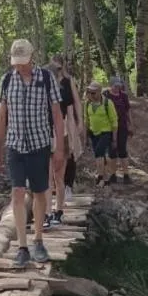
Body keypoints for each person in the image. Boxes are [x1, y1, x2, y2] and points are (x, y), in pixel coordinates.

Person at [0, 39, 65, 268]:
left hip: (39, 144)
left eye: (23, 62)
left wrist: (60, 148)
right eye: (16, 62)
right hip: (15, 145)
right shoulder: (7, 80)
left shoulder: (46, 79)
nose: (19, 66)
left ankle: (39, 239)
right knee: (17, 192)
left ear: (32, 57)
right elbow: (2, 116)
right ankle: (22, 246)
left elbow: (56, 114)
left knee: (41, 192)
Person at [48, 54, 81, 218]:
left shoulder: (68, 83)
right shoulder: (42, 87)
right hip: (46, 135)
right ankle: (47, 213)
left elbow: (73, 106)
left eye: (58, 69)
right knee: (47, 179)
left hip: (63, 132)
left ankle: (58, 210)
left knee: (59, 176)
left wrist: (79, 124)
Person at [84, 80, 118, 186]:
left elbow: (114, 121)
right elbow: (86, 120)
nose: (91, 95)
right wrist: (85, 136)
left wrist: (114, 139)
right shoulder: (87, 103)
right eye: (89, 92)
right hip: (93, 133)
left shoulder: (108, 103)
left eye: (93, 92)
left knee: (99, 152)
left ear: (99, 92)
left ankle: (101, 176)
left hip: (105, 132)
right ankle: (105, 177)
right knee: (99, 155)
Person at [106, 75, 133, 185]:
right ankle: (113, 175)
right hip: (109, 127)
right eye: (115, 86)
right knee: (112, 151)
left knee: (122, 150)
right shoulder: (106, 96)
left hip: (122, 127)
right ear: (111, 86)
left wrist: (131, 124)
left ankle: (126, 174)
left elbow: (128, 111)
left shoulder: (124, 96)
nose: (117, 88)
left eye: (119, 86)